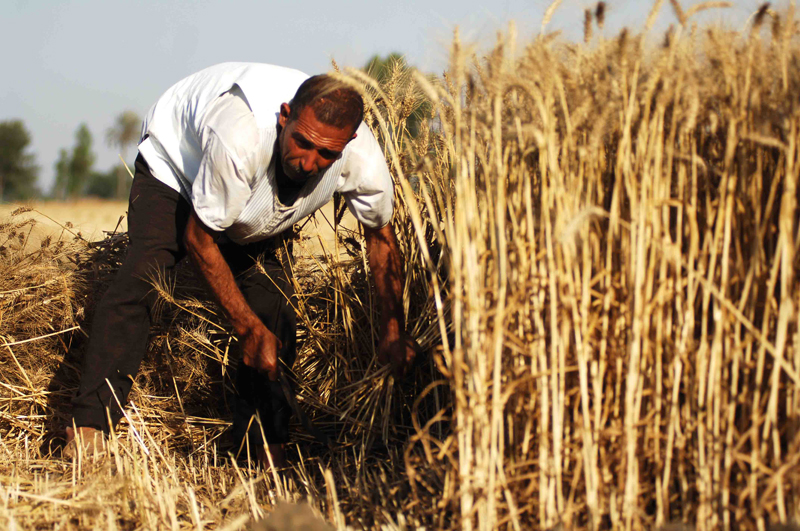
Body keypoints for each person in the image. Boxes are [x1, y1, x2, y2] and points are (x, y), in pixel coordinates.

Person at [64, 62, 419, 467]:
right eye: (302, 142)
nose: (308, 162)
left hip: (249, 198)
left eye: (326, 153)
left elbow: (381, 239)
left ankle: (262, 446)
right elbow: (199, 239)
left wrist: (393, 329)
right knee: (145, 275)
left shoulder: (361, 157)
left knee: (275, 309)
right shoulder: (241, 134)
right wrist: (245, 326)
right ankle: (90, 426)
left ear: (349, 142)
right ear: (285, 116)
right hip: (179, 167)